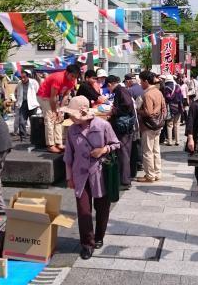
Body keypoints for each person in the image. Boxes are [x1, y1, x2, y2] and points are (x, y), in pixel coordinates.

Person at [62, 96, 120, 260]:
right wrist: (69, 178)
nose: (70, 117)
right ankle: (87, 244)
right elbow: (68, 155)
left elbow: (117, 144)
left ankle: (99, 236)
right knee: (83, 211)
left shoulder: (103, 125)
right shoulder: (72, 129)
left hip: (100, 173)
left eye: (72, 113)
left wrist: (103, 150)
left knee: (102, 208)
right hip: (79, 174)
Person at [37, 64, 81, 153]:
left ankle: (58, 142)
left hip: (53, 97)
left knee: (59, 118)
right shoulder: (58, 78)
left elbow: (65, 96)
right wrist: (54, 111)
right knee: (50, 118)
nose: (73, 78)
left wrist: (61, 110)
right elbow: (52, 97)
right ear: (67, 73)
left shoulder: (72, 81)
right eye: (72, 76)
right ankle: (50, 145)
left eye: (75, 77)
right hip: (43, 96)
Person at [106, 75, 135, 190]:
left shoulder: (120, 90)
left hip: (123, 127)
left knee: (124, 153)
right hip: (124, 126)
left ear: (109, 84)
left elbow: (127, 105)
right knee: (124, 153)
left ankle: (125, 181)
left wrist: (115, 111)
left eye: (108, 87)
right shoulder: (122, 90)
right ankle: (125, 179)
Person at [137, 71, 166, 182]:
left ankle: (150, 175)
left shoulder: (147, 94)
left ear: (145, 81)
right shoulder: (158, 91)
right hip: (158, 124)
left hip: (148, 125)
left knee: (147, 151)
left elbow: (148, 112)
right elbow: (164, 107)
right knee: (156, 150)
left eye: (141, 81)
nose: (140, 84)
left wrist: (138, 110)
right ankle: (157, 173)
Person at [14, 69, 40, 141]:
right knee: (21, 121)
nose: (22, 79)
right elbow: (16, 92)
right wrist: (17, 100)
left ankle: (35, 137)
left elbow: (38, 92)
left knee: (33, 121)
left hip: (32, 104)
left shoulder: (34, 82)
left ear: (28, 76)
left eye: (24, 77)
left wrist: (38, 103)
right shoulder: (19, 83)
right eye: (21, 77)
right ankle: (23, 137)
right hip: (23, 104)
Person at [163, 75, 183, 146]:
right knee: (177, 124)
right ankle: (177, 141)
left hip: (170, 108)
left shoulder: (167, 87)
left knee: (169, 125)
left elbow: (167, 98)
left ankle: (170, 141)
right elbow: (181, 97)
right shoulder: (178, 86)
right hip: (178, 107)